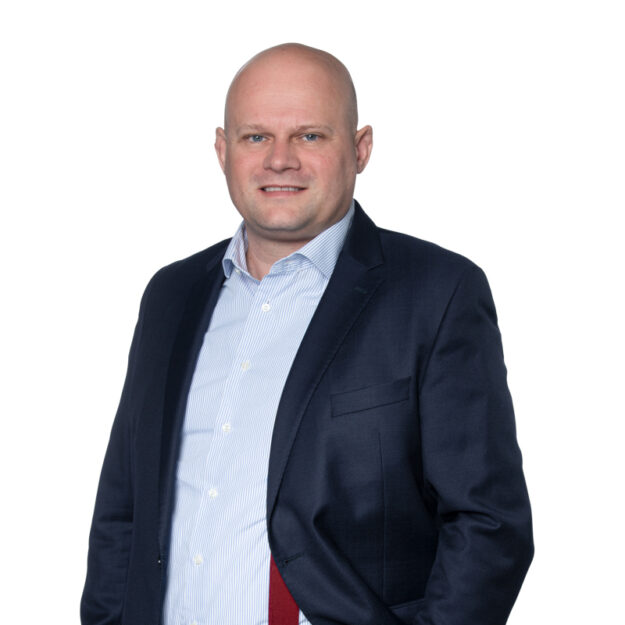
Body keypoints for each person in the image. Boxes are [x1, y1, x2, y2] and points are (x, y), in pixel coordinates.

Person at [81, 43, 533, 625]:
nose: (280, 160)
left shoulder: (437, 293)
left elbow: (488, 525)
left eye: (310, 135)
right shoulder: (170, 295)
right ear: (223, 151)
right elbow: (124, 508)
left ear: (360, 148)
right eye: (255, 137)